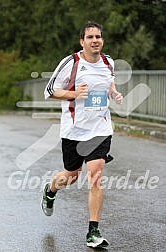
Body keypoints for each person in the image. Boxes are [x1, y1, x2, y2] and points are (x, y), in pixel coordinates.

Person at [42, 21, 123, 248]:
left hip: (100, 129)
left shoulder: (108, 62)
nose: (95, 40)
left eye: (98, 36)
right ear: (82, 41)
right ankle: (51, 189)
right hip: (74, 130)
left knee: (96, 173)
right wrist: (75, 93)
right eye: (90, 37)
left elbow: (108, 84)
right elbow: (49, 91)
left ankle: (93, 232)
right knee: (72, 175)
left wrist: (114, 93)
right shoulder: (72, 62)